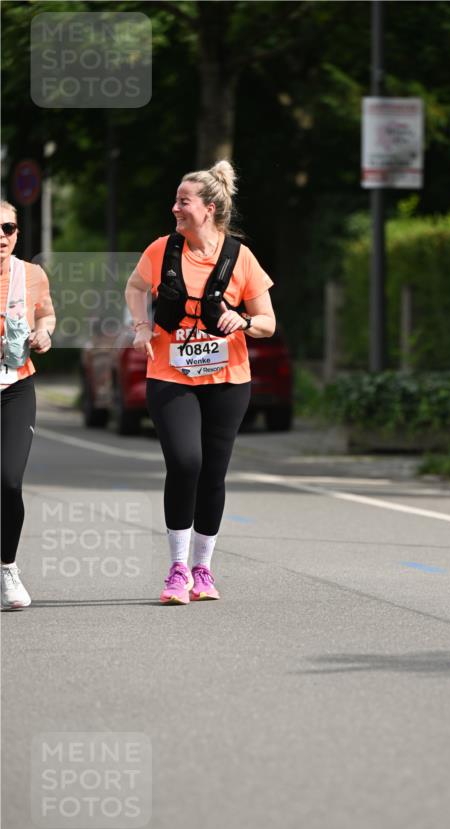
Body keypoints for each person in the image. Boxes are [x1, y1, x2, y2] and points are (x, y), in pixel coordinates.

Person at [125, 160, 275, 604]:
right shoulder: (161, 251)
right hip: (170, 375)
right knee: (185, 462)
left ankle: (203, 570)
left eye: (183, 202)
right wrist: (140, 326)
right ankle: (176, 570)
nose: (174, 208)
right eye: (175, 201)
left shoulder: (240, 257)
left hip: (228, 378)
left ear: (208, 208)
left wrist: (243, 319)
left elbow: (267, 321)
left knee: (213, 472)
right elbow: (135, 287)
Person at [0, 200, 55, 609]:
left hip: (15, 385)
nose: (1, 236)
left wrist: (43, 333)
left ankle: (7, 569)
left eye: (8, 228)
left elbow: (46, 316)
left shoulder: (31, 274)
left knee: (9, 481)